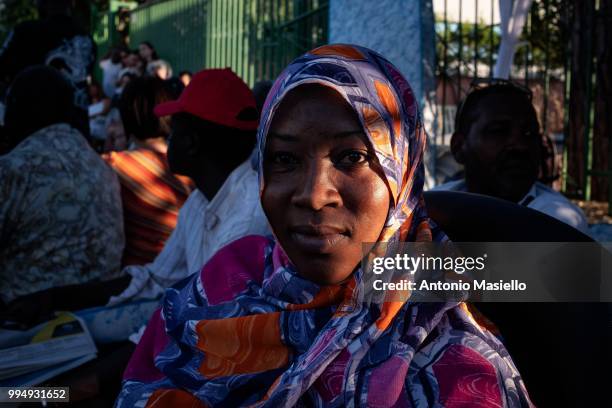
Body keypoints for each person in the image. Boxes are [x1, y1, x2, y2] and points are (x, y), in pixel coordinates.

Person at [116, 45, 532, 407]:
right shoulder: (233, 276)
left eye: (352, 157)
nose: (315, 196)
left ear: (402, 169)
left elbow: (581, 276)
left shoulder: (453, 361)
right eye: (284, 159)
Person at [108, 68, 269, 305]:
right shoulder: (199, 202)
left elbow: (207, 314)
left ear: (191, 143)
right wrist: (63, 297)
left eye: (173, 131)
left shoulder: (248, 218)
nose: (168, 139)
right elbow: (157, 279)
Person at [0, 66, 123, 304]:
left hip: (24, 326)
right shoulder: (99, 166)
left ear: (21, 107)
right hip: (99, 316)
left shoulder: (14, 169)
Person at [435, 81, 589, 233]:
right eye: (498, 131)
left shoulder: (557, 221)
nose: (520, 145)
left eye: (529, 133)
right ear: (459, 147)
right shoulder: (431, 206)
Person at [104, 77, 192, 266]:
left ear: (125, 116)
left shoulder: (114, 165)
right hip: (186, 272)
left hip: (137, 277)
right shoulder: (193, 165)